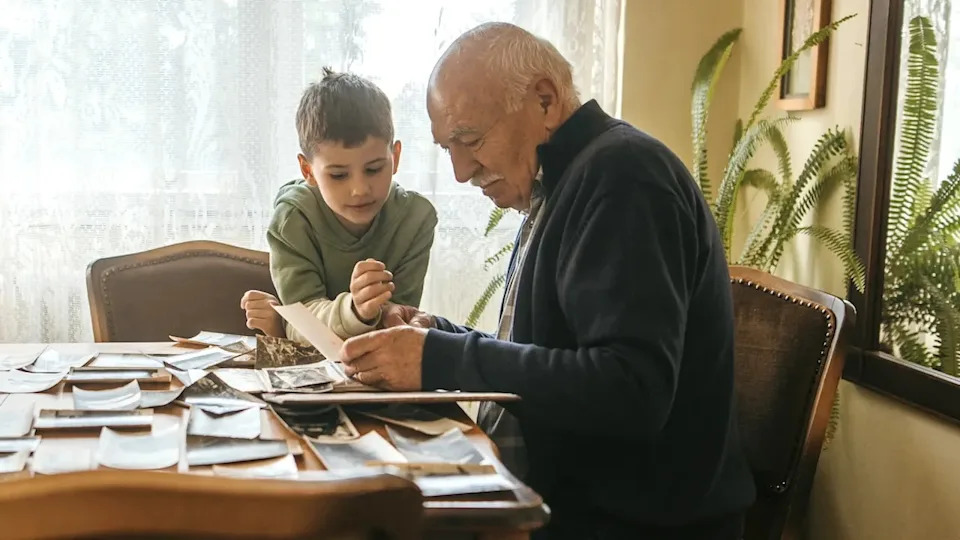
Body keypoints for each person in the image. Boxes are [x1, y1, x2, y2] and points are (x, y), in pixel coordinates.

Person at [338, 23, 756, 540]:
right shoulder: (565, 178)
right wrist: (435, 334)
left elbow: (631, 389)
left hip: (629, 523)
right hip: (575, 504)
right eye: (448, 148)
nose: (461, 171)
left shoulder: (625, 176)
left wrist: (439, 358)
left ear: (545, 99)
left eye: (469, 139)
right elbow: (552, 359)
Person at [241, 67, 437, 344]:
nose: (359, 190)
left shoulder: (416, 219)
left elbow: (399, 323)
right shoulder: (292, 219)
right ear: (307, 170)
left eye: (374, 169)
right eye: (338, 175)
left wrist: (393, 315)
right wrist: (355, 310)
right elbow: (303, 323)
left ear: (395, 156)